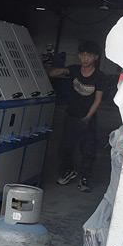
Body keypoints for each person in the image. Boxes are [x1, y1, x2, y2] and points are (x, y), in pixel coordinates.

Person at [48, 40, 108, 193]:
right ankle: (68, 171)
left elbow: (98, 99)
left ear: (96, 57)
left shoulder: (100, 77)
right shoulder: (74, 70)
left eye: (89, 55)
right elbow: (59, 72)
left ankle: (85, 177)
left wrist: (87, 117)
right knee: (66, 146)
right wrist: (52, 71)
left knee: (88, 148)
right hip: (71, 115)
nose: (85, 58)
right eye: (83, 55)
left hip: (88, 118)